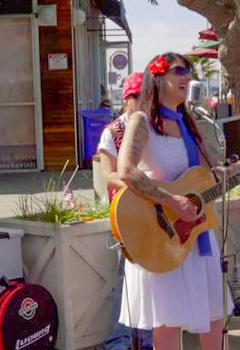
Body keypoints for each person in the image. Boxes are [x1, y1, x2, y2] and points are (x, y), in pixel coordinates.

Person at [116, 52, 240, 350]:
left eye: (188, 72)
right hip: (162, 233)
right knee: (166, 326)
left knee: (215, 318)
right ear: (158, 78)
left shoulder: (189, 123)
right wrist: (172, 200)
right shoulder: (141, 121)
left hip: (196, 234)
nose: (186, 77)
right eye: (179, 71)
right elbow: (125, 171)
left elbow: (214, 173)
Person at [97, 72, 153, 350]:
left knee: (152, 276)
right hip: (126, 213)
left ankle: (148, 339)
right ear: (127, 99)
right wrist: (140, 184)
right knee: (126, 278)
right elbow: (108, 174)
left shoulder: (155, 128)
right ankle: (119, 339)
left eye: (147, 98)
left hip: (155, 213)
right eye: (138, 98)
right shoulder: (113, 131)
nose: (143, 104)